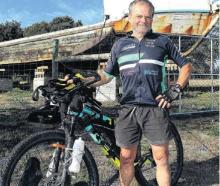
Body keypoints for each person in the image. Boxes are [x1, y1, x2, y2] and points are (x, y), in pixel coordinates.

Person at [83, 0, 192, 185]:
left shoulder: (162, 41)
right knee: (126, 158)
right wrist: (84, 82)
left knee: (161, 158)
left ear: (152, 19)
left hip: (155, 108)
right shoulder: (120, 45)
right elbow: (107, 75)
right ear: (130, 17)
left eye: (148, 16)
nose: (143, 20)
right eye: (139, 16)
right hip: (128, 110)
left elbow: (186, 66)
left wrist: (175, 90)